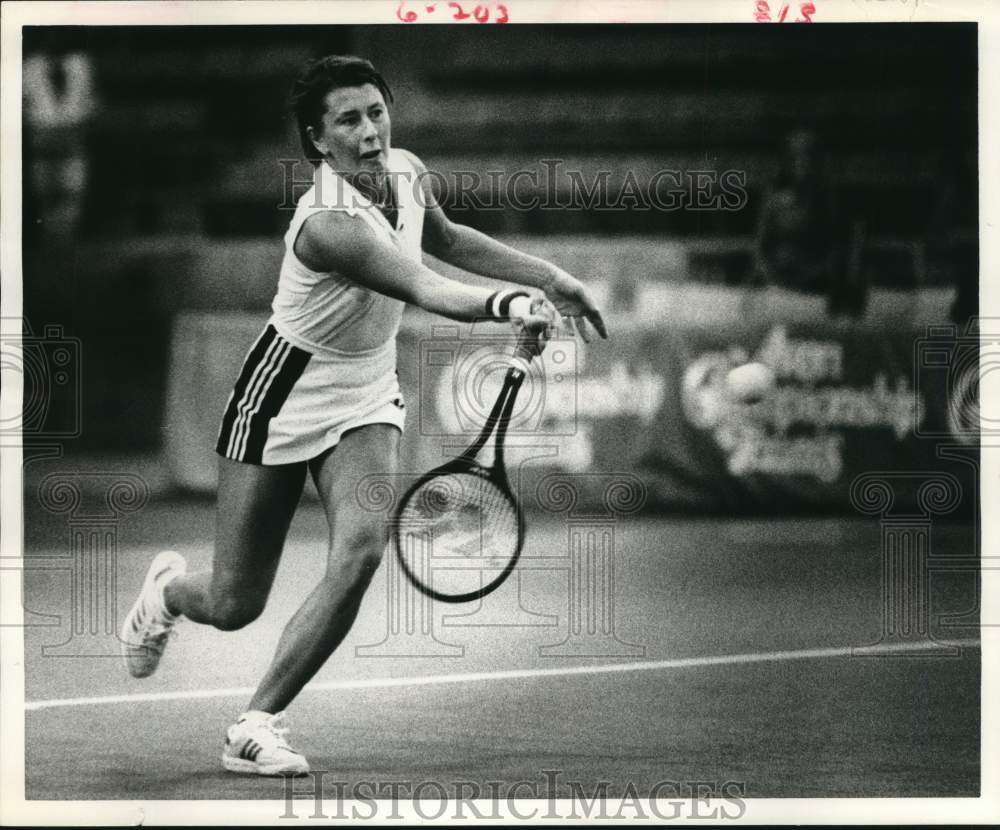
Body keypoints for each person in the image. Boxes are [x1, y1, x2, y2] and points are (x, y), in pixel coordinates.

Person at [120, 55, 607, 776]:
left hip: (366, 395)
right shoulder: (327, 224)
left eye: (376, 112)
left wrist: (549, 277)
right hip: (279, 396)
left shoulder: (405, 168)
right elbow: (423, 285)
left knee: (361, 547)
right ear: (319, 141)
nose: (370, 132)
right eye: (348, 120)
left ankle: (255, 724)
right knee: (232, 603)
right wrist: (506, 305)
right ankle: (166, 595)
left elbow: (442, 239)